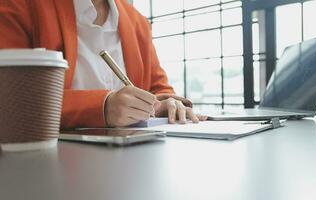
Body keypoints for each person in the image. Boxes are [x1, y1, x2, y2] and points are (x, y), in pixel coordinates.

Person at [0, 0, 207, 129]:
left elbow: (159, 88)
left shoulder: (137, 22)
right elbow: (10, 100)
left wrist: (165, 106)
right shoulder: (19, 5)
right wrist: (102, 106)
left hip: (136, 164)